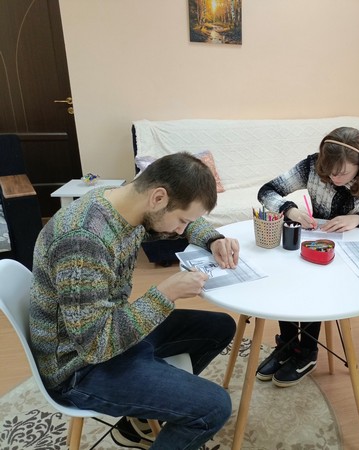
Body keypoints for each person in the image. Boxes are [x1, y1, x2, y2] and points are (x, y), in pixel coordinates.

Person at [29, 153, 240, 449]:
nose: (182, 230)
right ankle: (150, 406)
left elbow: (188, 220)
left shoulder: (125, 204)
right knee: (214, 407)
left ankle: (137, 420)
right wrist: (165, 294)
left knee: (219, 327)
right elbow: (95, 346)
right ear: (158, 198)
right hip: (78, 369)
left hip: (109, 333)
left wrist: (213, 239)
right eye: (182, 221)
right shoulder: (83, 242)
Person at [256, 126, 359, 387]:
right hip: (314, 249)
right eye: (329, 170)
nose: (334, 177)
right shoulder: (313, 165)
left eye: (342, 172)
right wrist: (290, 210)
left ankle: (307, 352)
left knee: (314, 284)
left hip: (352, 261)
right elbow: (266, 191)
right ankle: (287, 344)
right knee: (288, 276)